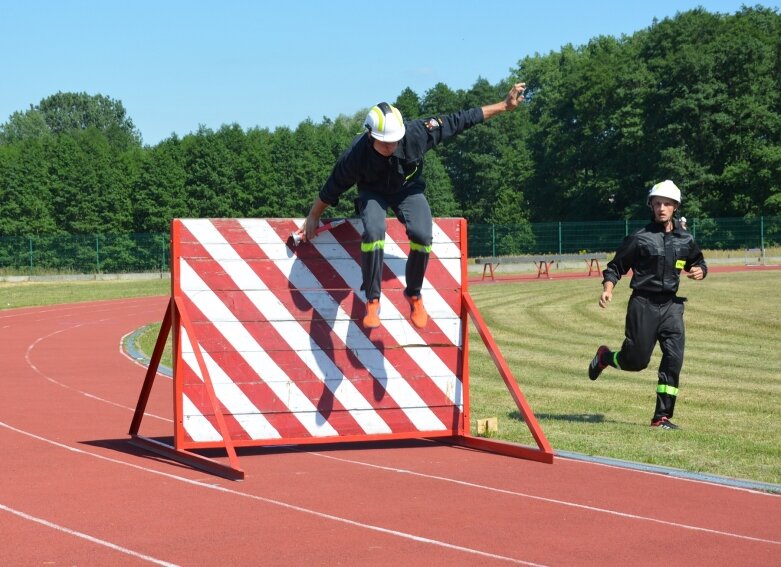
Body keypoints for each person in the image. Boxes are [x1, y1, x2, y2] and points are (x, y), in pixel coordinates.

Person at [297, 82, 527, 329]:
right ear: (370, 136)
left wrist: (504, 106)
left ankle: (414, 294)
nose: (391, 147)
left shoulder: (417, 133)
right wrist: (313, 216)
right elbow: (333, 186)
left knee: (422, 234)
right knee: (374, 230)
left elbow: (460, 120)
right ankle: (372, 299)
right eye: (385, 143)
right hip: (373, 192)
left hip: (407, 189)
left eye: (395, 141)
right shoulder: (356, 155)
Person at [587, 180, 707, 430]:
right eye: (657, 203)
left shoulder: (686, 239)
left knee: (674, 359)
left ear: (675, 207)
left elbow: (698, 261)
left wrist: (699, 271)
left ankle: (661, 417)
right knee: (637, 361)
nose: (661, 208)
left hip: (672, 307)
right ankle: (605, 357)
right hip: (643, 304)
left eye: (667, 204)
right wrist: (608, 289)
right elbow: (615, 267)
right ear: (651, 206)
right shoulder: (640, 238)